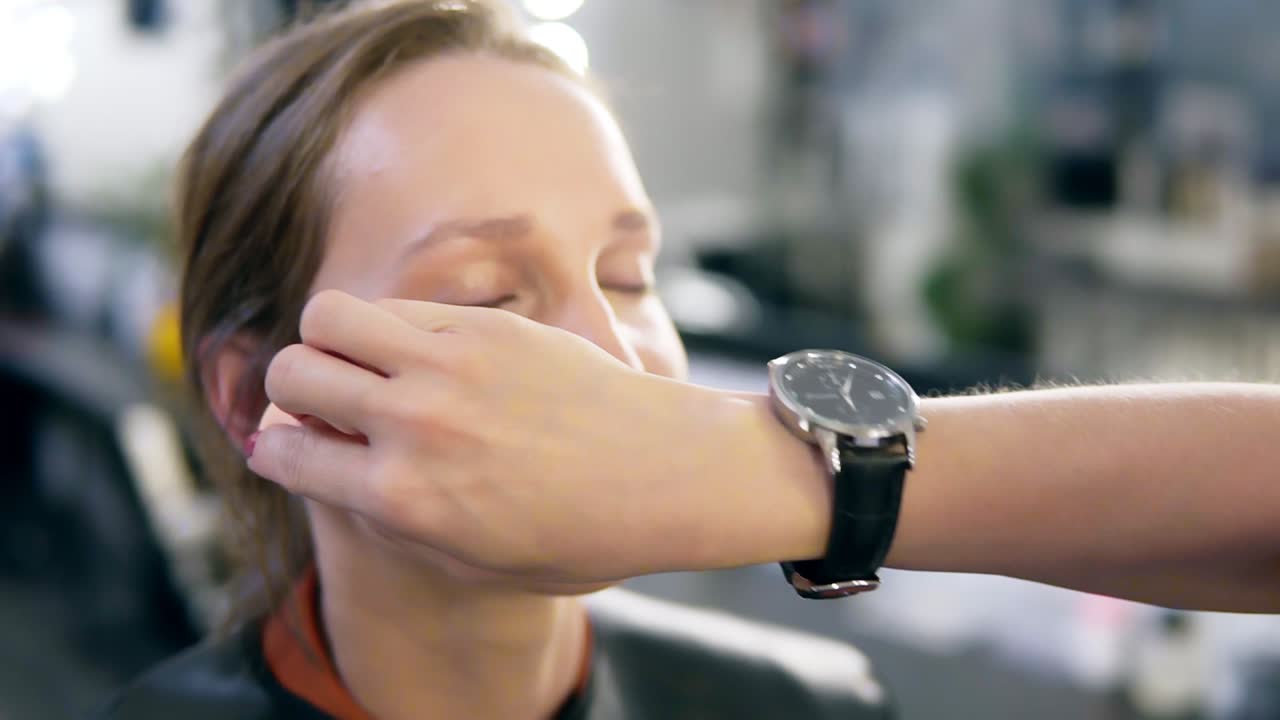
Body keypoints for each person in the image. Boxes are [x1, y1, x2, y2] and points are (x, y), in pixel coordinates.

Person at [98, 2, 892, 719]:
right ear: (250, 399)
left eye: (628, 276)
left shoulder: (816, 707)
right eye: (487, 299)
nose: (617, 358)